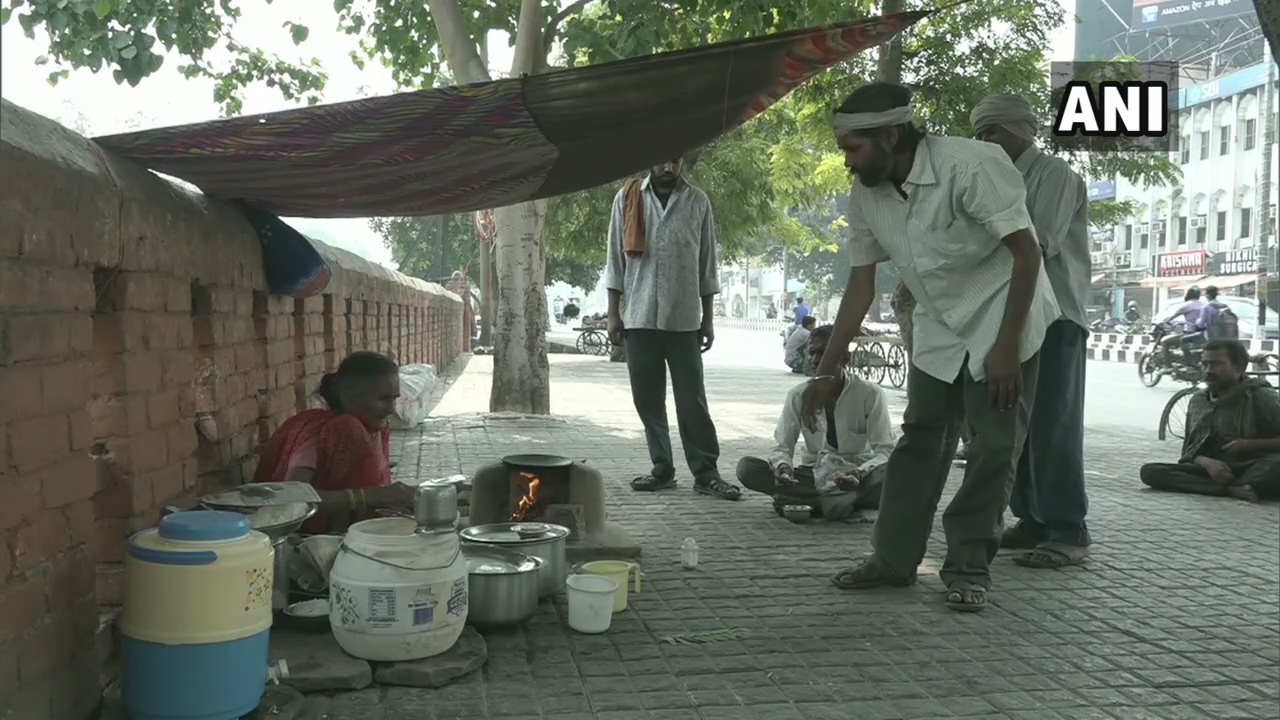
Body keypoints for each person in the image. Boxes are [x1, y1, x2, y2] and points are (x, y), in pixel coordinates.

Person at [804, 82, 1060, 612]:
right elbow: (860, 285)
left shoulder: (970, 165)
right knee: (921, 438)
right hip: (940, 327)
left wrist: (1007, 348)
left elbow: (1026, 252)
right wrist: (826, 372)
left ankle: (968, 567)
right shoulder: (866, 193)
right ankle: (893, 562)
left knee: (991, 447)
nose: (846, 161)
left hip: (1004, 314)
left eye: (853, 149)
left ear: (891, 135)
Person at [971, 93, 1093, 569]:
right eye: (980, 134)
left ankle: (1069, 529)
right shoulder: (994, 181)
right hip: (1010, 316)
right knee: (1014, 423)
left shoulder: (1055, 175)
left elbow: (1036, 243)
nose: (986, 141)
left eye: (993, 131)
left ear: (1022, 131)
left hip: (1056, 317)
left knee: (1052, 426)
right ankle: (1032, 520)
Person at [604, 157, 741, 500]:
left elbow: (707, 262)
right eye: (662, 159)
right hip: (638, 316)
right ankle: (662, 467)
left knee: (692, 400)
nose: (668, 166)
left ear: (684, 161)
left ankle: (706, 472)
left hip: (684, 321)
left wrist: (708, 318)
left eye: (675, 160)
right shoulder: (627, 197)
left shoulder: (697, 201)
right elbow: (614, 261)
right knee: (648, 400)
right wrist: (612, 315)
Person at [739, 325, 894, 521]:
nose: (815, 360)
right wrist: (783, 468)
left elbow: (885, 450)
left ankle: (814, 502)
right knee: (747, 468)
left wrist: (858, 473)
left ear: (844, 359)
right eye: (812, 353)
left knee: (898, 473)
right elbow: (781, 447)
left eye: (824, 354)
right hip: (814, 475)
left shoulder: (869, 394)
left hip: (857, 476)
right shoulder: (798, 396)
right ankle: (837, 502)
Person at [254, 351, 415, 533]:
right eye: (383, 399)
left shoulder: (372, 430)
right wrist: (366, 497)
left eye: (394, 399)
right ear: (350, 397)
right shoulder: (320, 434)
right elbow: (292, 499)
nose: (391, 409)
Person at [1140, 340, 1280, 501]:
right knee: (1150, 471)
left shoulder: (1261, 396)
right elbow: (1190, 451)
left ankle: (1241, 485)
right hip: (1211, 469)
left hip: (1254, 465)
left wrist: (1249, 445)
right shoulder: (1199, 400)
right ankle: (1231, 489)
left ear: (1240, 367)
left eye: (1216, 364)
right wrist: (1207, 463)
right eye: (1204, 364)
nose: (1208, 370)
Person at [1161, 287, 1206, 362]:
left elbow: (1172, 317)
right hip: (1202, 334)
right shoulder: (1204, 305)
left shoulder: (1186, 306)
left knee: (1164, 341)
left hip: (1190, 333)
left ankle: (1167, 366)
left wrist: (1165, 322)